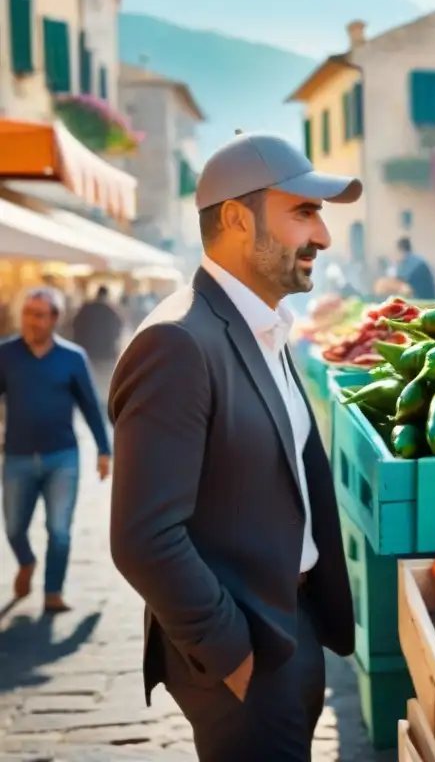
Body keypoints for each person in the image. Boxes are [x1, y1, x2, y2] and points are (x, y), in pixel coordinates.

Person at [108, 131, 360, 761]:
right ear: (237, 220)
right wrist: (232, 653)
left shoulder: (264, 325)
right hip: (243, 649)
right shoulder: (178, 342)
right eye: (303, 211)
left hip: (287, 625)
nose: (323, 237)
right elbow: (143, 536)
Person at [0, 286, 110, 613]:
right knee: (15, 528)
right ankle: (26, 561)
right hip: (18, 457)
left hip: (63, 458)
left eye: (39, 315)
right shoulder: (5, 354)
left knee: (59, 530)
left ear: (54, 319)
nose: (31, 322)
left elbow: (91, 407)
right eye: (27, 314)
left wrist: (105, 451)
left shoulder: (72, 358)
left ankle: (53, 591)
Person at [71, 285, 124, 389]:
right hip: (106, 352)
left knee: (89, 381)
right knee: (104, 383)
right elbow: (118, 329)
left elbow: (75, 326)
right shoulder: (112, 310)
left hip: (87, 350)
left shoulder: (86, 308)